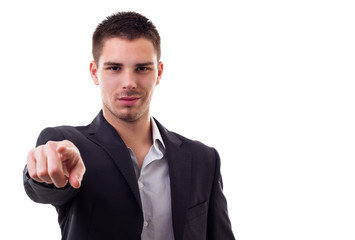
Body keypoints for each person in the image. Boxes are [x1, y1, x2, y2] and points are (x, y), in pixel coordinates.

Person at [23, 11, 235, 240]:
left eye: (142, 68)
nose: (129, 83)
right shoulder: (70, 146)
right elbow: (45, 186)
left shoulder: (203, 159)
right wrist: (44, 173)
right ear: (95, 73)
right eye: (114, 68)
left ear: (159, 73)